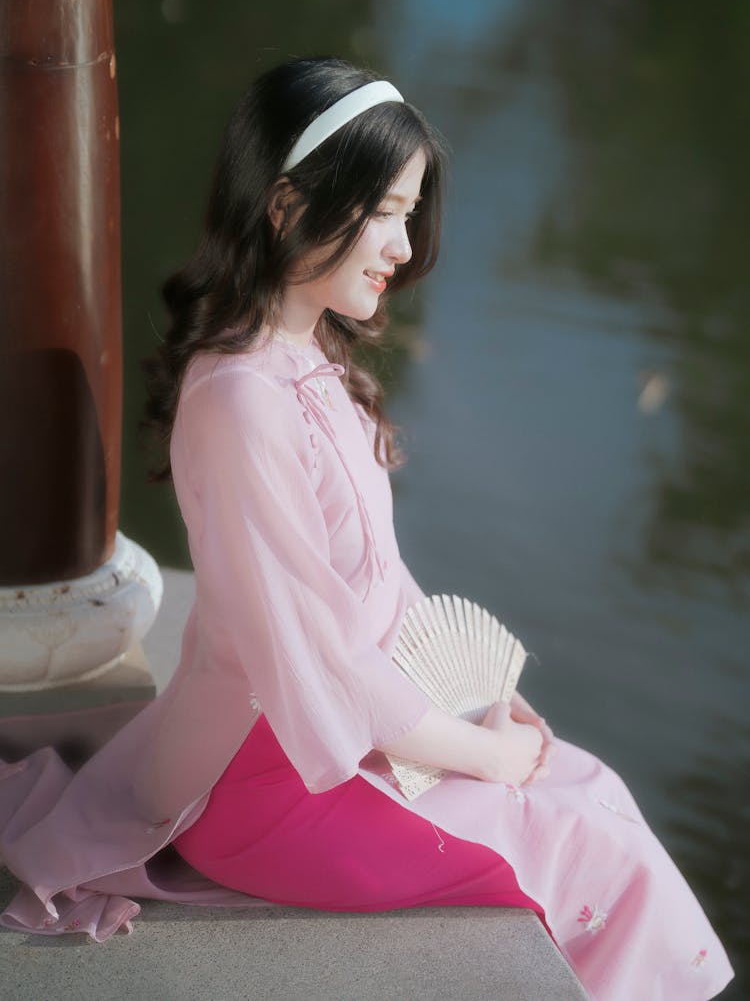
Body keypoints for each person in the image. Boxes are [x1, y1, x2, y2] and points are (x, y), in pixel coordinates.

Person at [0, 57, 733, 1000]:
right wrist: (485, 754)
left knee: (591, 790)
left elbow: (378, 587)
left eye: (408, 210)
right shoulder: (240, 403)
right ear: (286, 204)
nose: (404, 243)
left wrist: (471, 705)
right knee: (581, 841)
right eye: (383, 210)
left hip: (333, 738)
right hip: (268, 783)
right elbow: (320, 664)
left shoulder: (312, 364)